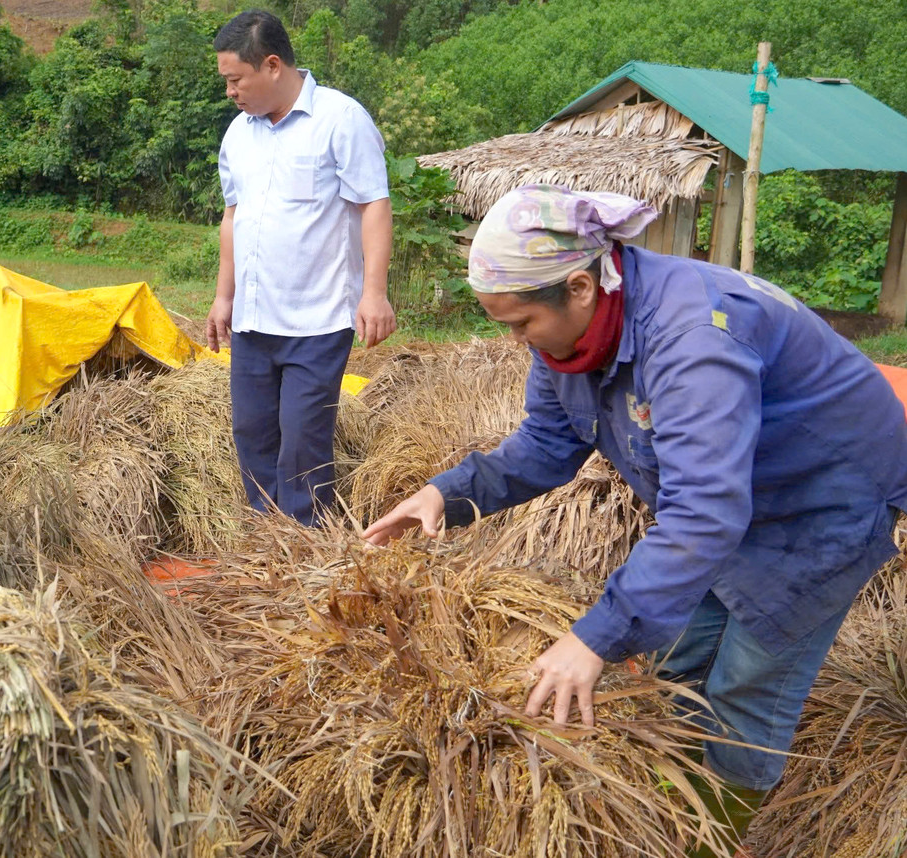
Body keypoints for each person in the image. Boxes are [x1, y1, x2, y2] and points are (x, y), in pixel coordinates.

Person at [362, 184, 907, 855]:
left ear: (581, 287)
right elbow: (548, 443)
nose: (515, 342)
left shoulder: (690, 340)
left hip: (823, 499)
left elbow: (706, 512)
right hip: (733, 493)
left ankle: (712, 837)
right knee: (681, 655)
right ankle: (674, 801)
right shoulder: (570, 339)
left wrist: (594, 639)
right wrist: (447, 494)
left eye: (520, 323)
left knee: (747, 682)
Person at [208, 10, 395, 527]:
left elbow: (373, 205)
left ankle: (306, 547)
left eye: (235, 79)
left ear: (271, 65)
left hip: (317, 317)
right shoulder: (238, 136)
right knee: (252, 433)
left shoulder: (340, 118)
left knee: (302, 439)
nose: (231, 92)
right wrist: (225, 296)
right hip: (253, 316)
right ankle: (268, 539)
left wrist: (373, 294)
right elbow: (233, 218)